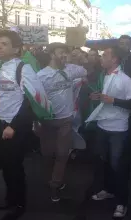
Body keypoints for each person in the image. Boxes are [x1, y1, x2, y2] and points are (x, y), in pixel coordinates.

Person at [0, 30, 45, 220]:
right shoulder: (0, 67)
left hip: (16, 126)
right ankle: (9, 199)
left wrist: (14, 126)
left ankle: (19, 205)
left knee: (15, 166)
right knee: (5, 164)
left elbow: (31, 101)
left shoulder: (23, 68)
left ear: (16, 48)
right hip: (2, 124)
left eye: (4, 43)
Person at [88, 45, 131, 218]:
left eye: (105, 56)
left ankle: (122, 202)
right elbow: (105, 99)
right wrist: (97, 97)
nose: (101, 58)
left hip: (118, 129)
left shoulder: (125, 79)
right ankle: (108, 190)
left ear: (115, 60)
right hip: (103, 126)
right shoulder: (104, 76)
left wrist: (114, 100)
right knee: (104, 162)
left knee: (119, 166)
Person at [37, 43, 87, 202]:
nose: (64, 55)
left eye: (66, 53)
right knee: (47, 154)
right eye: (61, 53)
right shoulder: (41, 76)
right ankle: (51, 179)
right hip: (47, 121)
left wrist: (71, 62)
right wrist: (36, 121)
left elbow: (84, 71)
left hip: (66, 120)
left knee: (62, 154)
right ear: (52, 54)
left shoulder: (69, 69)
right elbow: (35, 100)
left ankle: (54, 186)